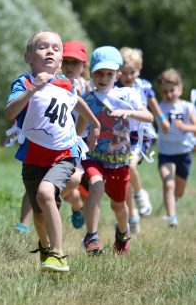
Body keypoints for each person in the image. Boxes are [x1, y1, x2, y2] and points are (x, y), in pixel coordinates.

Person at [5, 30, 100, 272]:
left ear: (60, 60)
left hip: (63, 153)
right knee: (38, 214)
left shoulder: (65, 83)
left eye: (56, 48)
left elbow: (76, 100)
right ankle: (45, 245)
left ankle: (58, 254)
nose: (50, 51)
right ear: (28, 57)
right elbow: (10, 112)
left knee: (46, 194)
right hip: (34, 156)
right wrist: (32, 90)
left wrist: (94, 123)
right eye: (42, 47)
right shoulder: (24, 82)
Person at [78, 46, 153, 255]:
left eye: (109, 74)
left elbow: (148, 117)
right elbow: (79, 129)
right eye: (99, 73)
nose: (103, 78)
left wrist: (129, 112)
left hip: (119, 160)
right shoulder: (89, 100)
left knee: (119, 207)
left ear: (117, 75)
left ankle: (122, 233)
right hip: (94, 157)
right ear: (91, 74)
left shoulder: (128, 95)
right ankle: (91, 237)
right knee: (96, 186)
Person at [116, 47, 170, 233]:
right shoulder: (115, 88)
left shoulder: (144, 86)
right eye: (124, 72)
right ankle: (132, 217)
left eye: (132, 72)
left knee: (130, 167)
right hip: (120, 136)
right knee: (124, 179)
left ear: (139, 70)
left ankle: (140, 195)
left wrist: (163, 122)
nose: (128, 76)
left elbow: (154, 107)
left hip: (141, 135)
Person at [156, 68, 196, 227]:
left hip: (184, 153)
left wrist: (184, 127)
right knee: (168, 183)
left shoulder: (186, 107)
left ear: (180, 89)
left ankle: (175, 201)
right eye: (165, 91)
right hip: (165, 152)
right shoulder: (159, 107)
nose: (169, 94)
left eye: (172, 90)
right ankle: (172, 218)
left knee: (179, 191)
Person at [61, 40, 92, 229]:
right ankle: (75, 205)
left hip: (83, 145)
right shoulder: (54, 85)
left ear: (84, 66)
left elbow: (86, 120)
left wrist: (74, 142)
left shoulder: (89, 89)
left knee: (83, 186)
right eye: (66, 61)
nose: (70, 66)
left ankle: (90, 235)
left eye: (75, 62)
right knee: (71, 189)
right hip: (59, 143)